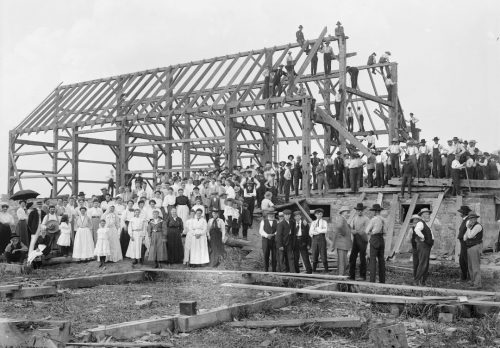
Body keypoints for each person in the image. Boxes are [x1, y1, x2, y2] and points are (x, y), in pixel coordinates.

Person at [413, 208, 434, 285]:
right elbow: (416, 230)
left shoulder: (425, 224)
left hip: (426, 246)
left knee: (425, 264)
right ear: (422, 215)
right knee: (423, 263)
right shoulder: (420, 223)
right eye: (427, 214)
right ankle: (417, 281)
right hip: (423, 246)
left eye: (428, 214)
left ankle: (422, 281)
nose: (428, 215)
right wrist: (423, 237)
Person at [349, 203, 369, 281]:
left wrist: (359, 232)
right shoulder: (354, 218)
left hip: (363, 239)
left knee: (362, 257)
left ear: (363, 210)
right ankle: (351, 275)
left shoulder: (366, 219)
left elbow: (367, 230)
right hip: (356, 239)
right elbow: (351, 228)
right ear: (356, 211)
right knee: (352, 257)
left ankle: (362, 276)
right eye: (358, 210)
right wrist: (352, 231)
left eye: (361, 210)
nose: (359, 212)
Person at [366, 204, 386, 283]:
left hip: (374, 239)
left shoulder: (373, 219)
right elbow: (385, 231)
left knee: (373, 259)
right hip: (381, 239)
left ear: (375, 212)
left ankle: (372, 280)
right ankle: (382, 280)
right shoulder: (384, 219)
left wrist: (371, 232)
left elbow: (366, 231)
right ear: (379, 211)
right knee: (381, 260)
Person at [464, 213, 483, 288]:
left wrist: (468, 228)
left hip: (475, 246)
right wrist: (468, 229)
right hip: (470, 246)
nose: (472, 220)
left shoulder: (477, 226)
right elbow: (465, 237)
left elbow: (470, 236)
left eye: (474, 218)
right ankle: (473, 281)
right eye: (470, 219)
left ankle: (477, 284)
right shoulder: (471, 226)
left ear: (476, 219)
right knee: (471, 266)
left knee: (475, 266)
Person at [332, 206, 352, 276]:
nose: (348, 214)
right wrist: (343, 233)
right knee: (342, 262)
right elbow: (339, 227)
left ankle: (342, 275)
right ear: (343, 213)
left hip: (344, 244)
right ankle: (341, 276)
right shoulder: (341, 219)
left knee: (344, 261)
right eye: (347, 212)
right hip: (341, 244)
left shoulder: (344, 219)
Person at [310, 208, 329, 273]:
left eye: (321, 214)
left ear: (322, 215)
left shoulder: (324, 222)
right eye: (318, 214)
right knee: (314, 254)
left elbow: (325, 230)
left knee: (323, 255)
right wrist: (318, 231)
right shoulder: (313, 222)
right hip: (314, 240)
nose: (319, 215)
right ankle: (314, 270)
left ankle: (326, 271)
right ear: (315, 215)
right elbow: (311, 232)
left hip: (322, 239)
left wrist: (317, 230)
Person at [457, 206, 472, 281]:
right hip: (463, 242)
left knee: (466, 260)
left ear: (463, 213)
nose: (460, 213)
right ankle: (464, 277)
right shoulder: (465, 220)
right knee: (462, 260)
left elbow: (469, 231)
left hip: (465, 243)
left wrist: (465, 238)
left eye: (461, 212)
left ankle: (469, 278)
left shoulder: (468, 221)